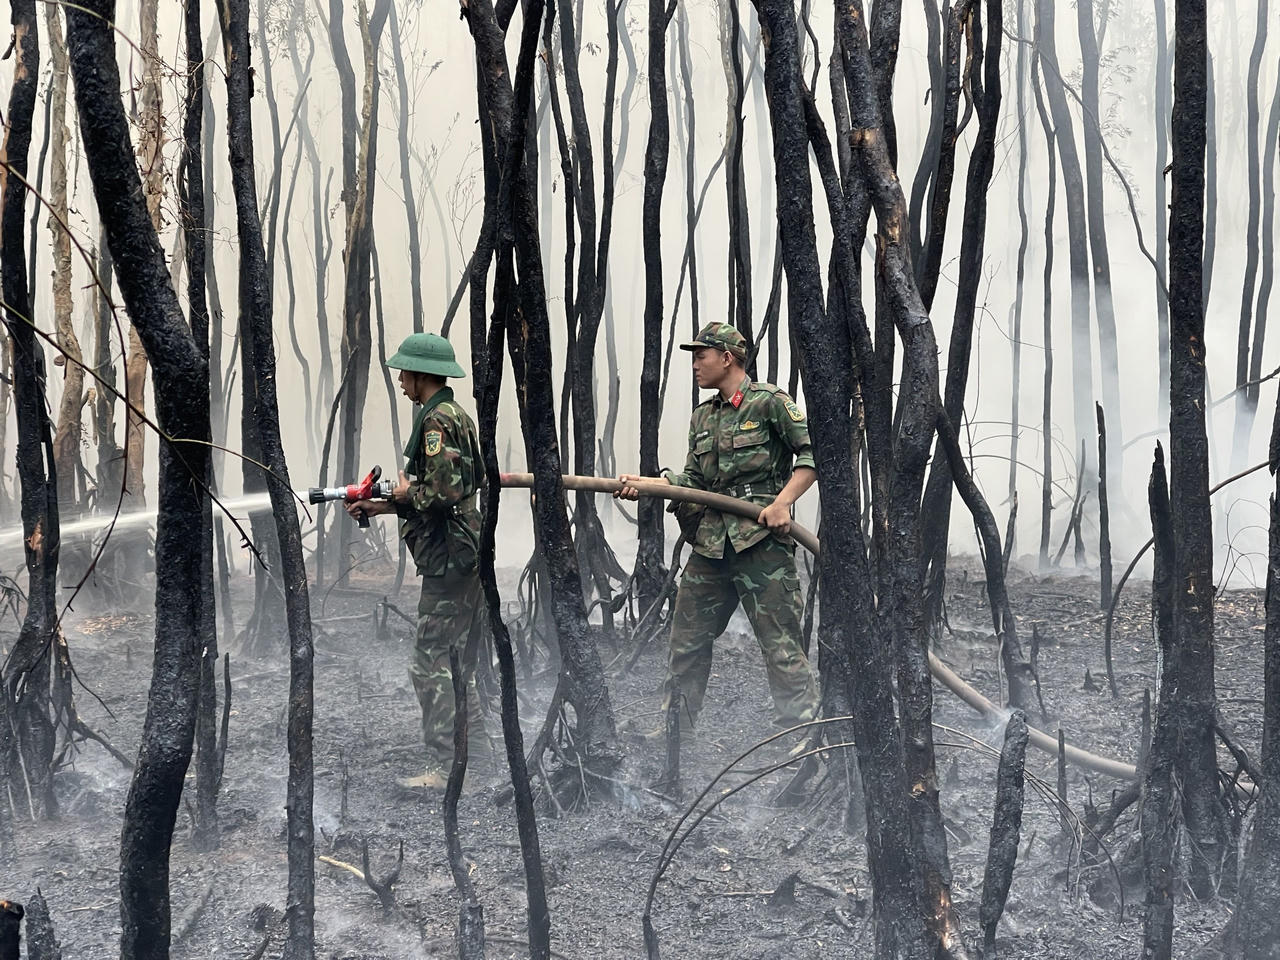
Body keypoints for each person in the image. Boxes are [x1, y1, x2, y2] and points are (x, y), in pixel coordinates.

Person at [617, 321, 820, 732]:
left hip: (762, 546)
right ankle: (676, 728)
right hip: (711, 549)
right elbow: (694, 483)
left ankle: (802, 734)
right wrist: (649, 485)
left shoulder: (769, 403)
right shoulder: (702, 418)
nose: (694, 365)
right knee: (686, 642)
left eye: (701, 356)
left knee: (781, 646)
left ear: (727, 358)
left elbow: (812, 456)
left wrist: (783, 504)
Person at [345, 332, 487, 789]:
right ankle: (476, 756)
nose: (402, 380)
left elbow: (442, 492)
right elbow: (464, 482)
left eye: (405, 372)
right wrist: (385, 504)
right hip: (461, 553)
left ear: (422, 374)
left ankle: (448, 768)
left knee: (429, 663)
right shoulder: (456, 416)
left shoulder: (435, 424)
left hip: (449, 558)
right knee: (456, 659)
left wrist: (405, 493)